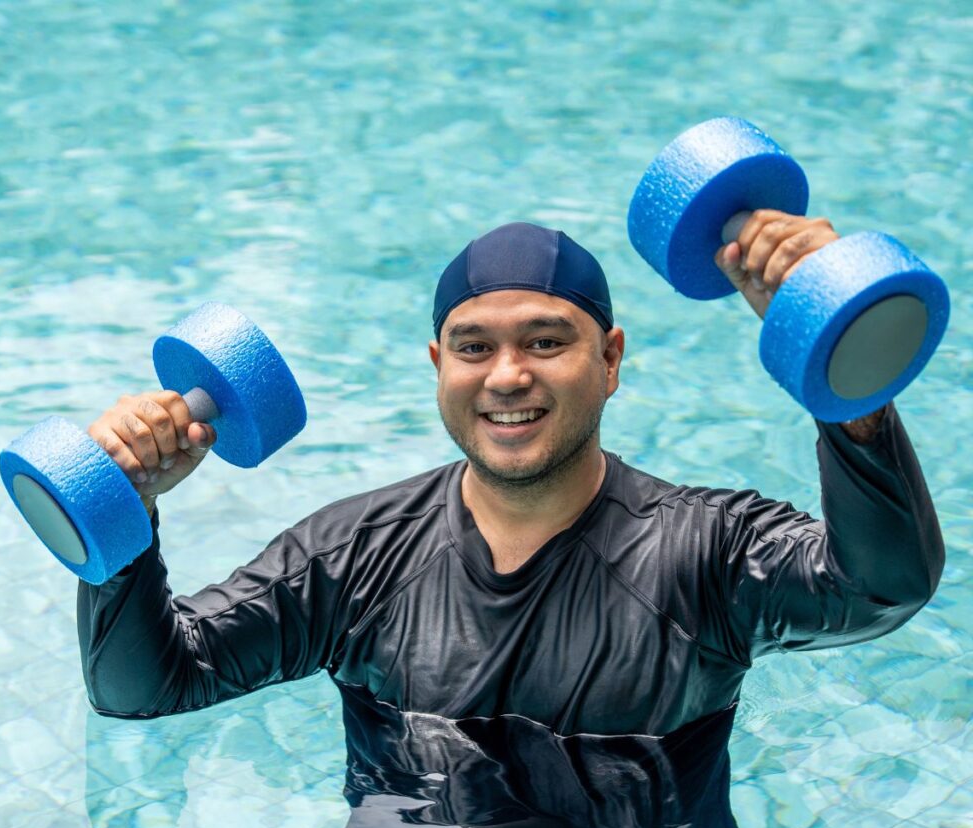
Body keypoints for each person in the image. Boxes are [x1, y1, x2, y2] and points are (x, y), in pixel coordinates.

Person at [78, 214, 944, 735]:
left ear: (610, 359)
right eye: (473, 348)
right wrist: (127, 517)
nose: (506, 376)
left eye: (545, 341)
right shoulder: (351, 558)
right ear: (438, 366)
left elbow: (880, 588)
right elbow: (148, 687)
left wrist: (847, 378)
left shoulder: (707, 551)